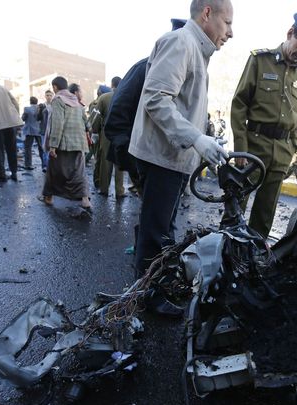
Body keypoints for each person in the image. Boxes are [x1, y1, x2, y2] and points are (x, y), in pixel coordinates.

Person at [129, 0, 233, 314]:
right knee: (155, 231)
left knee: (161, 228)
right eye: (227, 23)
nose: (231, 33)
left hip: (171, 157)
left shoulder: (196, 50)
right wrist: (196, 138)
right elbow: (157, 100)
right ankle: (148, 298)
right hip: (162, 157)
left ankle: (154, 284)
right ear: (207, 13)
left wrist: (202, 137)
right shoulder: (181, 42)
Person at [230, 11, 297, 238]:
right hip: (253, 148)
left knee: (265, 214)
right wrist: (240, 147)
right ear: (290, 33)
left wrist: (292, 148)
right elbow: (239, 104)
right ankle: (226, 253)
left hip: (281, 152)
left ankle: (254, 258)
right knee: (236, 206)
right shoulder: (259, 60)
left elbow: (296, 115)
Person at [104, 19, 188, 196]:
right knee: (153, 218)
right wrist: (134, 161)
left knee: (162, 218)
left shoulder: (190, 76)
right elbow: (116, 116)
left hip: (173, 163)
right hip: (147, 162)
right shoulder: (144, 68)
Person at [41, 76, 91, 211]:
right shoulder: (76, 100)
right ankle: (85, 199)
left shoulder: (58, 99)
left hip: (63, 143)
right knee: (79, 172)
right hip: (79, 142)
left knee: (54, 170)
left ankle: (49, 197)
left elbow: (57, 123)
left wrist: (53, 146)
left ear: (55, 87)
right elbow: (86, 122)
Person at [93, 77, 125, 198]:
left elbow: (96, 117)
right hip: (122, 133)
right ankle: (120, 191)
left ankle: (104, 189)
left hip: (106, 133)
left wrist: (95, 131)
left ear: (112, 85)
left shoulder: (104, 97)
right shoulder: (126, 96)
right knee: (120, 161)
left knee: (105, 161)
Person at [21, 97, 43, 170]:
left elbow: (23, 118)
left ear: (30, 102)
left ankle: (28, 165)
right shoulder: (40, 108)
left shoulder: (27, 109)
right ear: (37, 102)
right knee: (41, 148)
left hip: (29, 131)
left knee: (28, 148)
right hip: (39, 130)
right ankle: (44, 164)